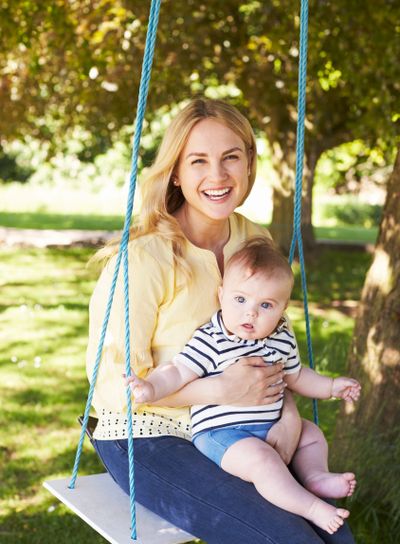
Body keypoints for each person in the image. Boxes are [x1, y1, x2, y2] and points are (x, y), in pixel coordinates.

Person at [86, 97, 355, 543]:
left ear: (249, 163)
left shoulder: (255, 241)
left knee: (334, 536)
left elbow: (271, 349)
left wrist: (285, 412)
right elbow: (114, 389)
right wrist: (220, 389)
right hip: (148, 434)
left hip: (241, 425)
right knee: (285, 537)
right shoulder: (143, 259)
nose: (217, 176)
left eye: (231, 157)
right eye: (198, 161)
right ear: (176, 171)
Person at [125, 236, 361, 535]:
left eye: (265, 305)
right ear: (221, 296)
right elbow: (177, 371)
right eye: (240, 300)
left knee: (311, 434)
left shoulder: (281, 338)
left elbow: (297, 376)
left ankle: (316, 476)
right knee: (264, 462)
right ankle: (311, 507)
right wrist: (151, 387)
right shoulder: (213, 339)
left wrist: (331, 387)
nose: (251, 313)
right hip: (224, 434)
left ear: (282, 309)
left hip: (270, 426)